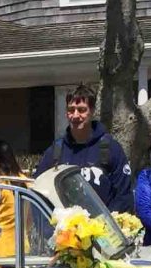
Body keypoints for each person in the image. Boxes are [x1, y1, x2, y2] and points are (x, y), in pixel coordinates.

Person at [34, 84, 133, 212]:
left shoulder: (110, 148)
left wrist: (107, 224)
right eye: (71, 110)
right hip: (65, 230)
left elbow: (123, 195)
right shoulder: (56, 151)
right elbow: (39, 190)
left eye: (81, 110)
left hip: (104, 229)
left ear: (91, 112)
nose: (75, 116)